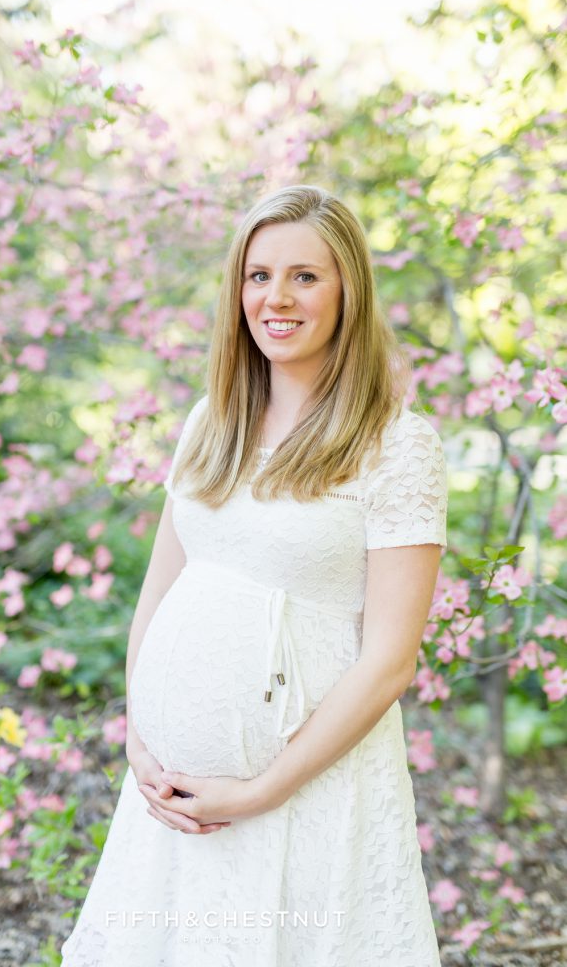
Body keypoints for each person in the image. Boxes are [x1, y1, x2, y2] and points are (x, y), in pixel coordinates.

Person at [60, 184, 448, 966]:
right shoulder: (211, 422)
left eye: (306, 276)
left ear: (348, 292)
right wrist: (142, 736)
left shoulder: (396, 446)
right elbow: (160, 591)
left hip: (305, 793)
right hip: (170, 798)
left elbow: (389, 662)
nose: (276, 297)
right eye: (257, 275)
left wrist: (262, 789)